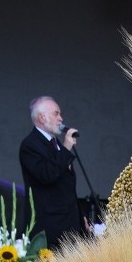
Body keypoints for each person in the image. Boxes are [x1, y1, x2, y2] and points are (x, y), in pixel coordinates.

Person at [19, 96, 82, 249]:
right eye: (56, 113)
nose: (61, 118)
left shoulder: (56, 144)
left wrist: (81, 216)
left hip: (70, 226)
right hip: (50, 229)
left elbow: (66, 187)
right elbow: (47, 175)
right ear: (41, 117)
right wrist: (67, 148)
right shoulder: (30, 145)